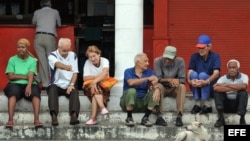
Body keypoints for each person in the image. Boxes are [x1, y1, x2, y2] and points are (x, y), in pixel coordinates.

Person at [4, 38, 42, 128]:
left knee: (35, 93)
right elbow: (11, 76)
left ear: (27, 49)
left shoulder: (32, 61)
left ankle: (36, 119)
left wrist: (29, 85)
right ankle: (10, 120)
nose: (20, 49)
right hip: (14, 83)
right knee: (13, 93)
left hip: (30, 84)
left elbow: (31, 74)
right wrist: (26, 77)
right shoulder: (12, 59)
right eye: (19, 47)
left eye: (23, 47)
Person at [120, 53, 161, 127]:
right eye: (145, 61)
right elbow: (131, 83)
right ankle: (129, 117)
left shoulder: (149, 72)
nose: (148, 63)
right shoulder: (128, 71)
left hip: (142, 103)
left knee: (155, 92)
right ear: (138, 62)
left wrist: (157, 89)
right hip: (127, 103)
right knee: (131, 91)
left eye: (148, 61)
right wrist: (147, 78)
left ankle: (146, 118)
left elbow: (155, 81)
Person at [47, 38, 80, 126]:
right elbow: (57, 64)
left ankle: (74, 116)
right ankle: (54, 116)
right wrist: (67, 67)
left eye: (67, 50)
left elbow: (75, 73)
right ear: (59, 47)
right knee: (52, 89)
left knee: (75, 91)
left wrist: (71, 84)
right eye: (64, 50)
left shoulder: (73, 55)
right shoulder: (52, 55)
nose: (66, 53)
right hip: (56, 84)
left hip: (68, 85)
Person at [187, 34, 221, 114]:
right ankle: (197, 104)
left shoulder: (215, 56)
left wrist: (207, 81)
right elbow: (190, 71)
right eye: (199, 48)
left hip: (210, 84)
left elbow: (216, 73)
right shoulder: (194, 56)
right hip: (198, 83)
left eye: (203, 48)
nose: (200, 50)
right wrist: (190, 81)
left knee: (202, 75)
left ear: (209, 47)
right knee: (194, 75)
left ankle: (207, 104)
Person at [154, 46, 186, 126]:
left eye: (170, 58)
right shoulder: (157, 61)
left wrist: (177, 81)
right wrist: (168, 80)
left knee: (182, 87)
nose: (167, 60)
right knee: (158, 87)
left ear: (175, 57)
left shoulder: (180, 61)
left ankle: (179, 115)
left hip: (174, 87)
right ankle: (159, 116)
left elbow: (182, 79)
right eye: (166, 58)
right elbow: (157, 79)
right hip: (163, 86)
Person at [32, 0, 61, 89]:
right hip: (50, 37)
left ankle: (40, 80)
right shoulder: (55, 12)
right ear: (50, 4)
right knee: (51, 60)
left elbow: (33, 23)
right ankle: (49, 82)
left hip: (38, 36)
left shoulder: (37, 12)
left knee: (42, 61)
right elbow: (59, 24)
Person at [213, 59, 248, 127]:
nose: (232, 69)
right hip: (226, 105)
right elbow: (216, 88)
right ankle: (221, 119)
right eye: (230, 67)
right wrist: (237, 88)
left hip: (238, 106)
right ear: (227, 69)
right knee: (217, 92)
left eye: (234, 67)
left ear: (238, 69)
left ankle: (242, 119)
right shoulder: (223, 78)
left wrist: (225, 85)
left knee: (243, 93)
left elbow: (244, 86)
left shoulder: (244, 76)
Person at [83, 45, 109, 125]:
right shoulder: (87, 62)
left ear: (99, 54)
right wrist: (97, 77)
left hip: (103, 86)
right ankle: (102, 107)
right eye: (90, 57)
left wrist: (94, 82)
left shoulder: (105, 61)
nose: (92, 59)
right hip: (89, 86)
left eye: (94, 56)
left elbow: (105, 73)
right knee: (95, 88)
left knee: (95, 92)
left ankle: (93, 118)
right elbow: (85, 78)